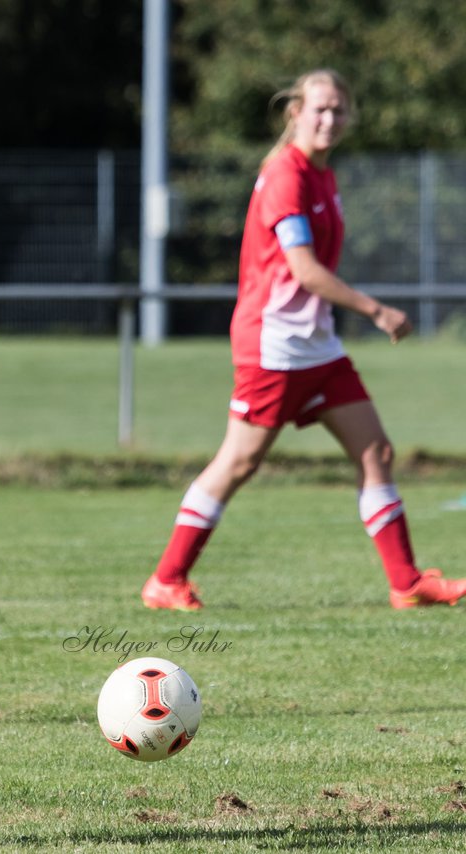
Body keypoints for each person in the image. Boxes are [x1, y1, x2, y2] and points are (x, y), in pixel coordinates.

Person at [141, 69, 466, 612]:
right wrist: (377, 310)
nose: (329, 119)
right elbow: (305, 271)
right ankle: (166, 579)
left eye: (339, 110)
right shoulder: (286, 175)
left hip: (315, 344)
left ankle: (407, 583)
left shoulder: (322, 175)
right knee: (239, 462)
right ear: (295, 112)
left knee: (375, 450)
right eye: (319, 109)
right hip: (274, 345)